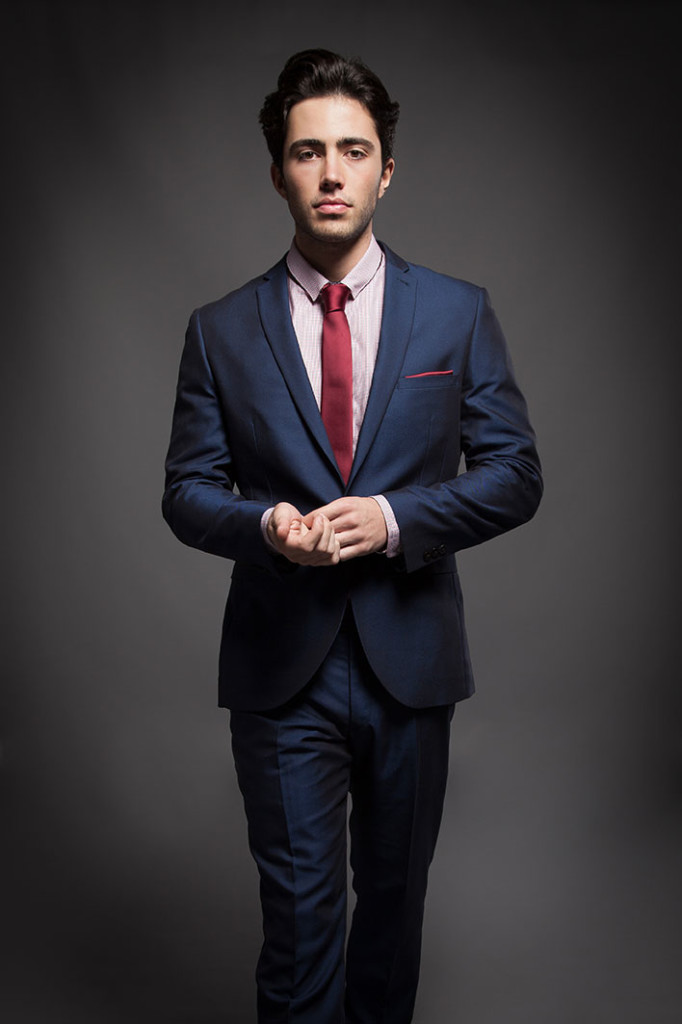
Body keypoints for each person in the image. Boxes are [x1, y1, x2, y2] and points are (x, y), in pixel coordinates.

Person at [163, 48, 542, 1024]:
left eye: (352, 150)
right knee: (298, 925)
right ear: (278, 169)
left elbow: (516, 476)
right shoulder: (218, 330)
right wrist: (265, 527)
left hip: (410, 658)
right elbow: (186, 493)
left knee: (393, 916)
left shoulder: (457, 314)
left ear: (385, 170)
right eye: (306, 152)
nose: (330, 173)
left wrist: (394, 518)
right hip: (278, 666)